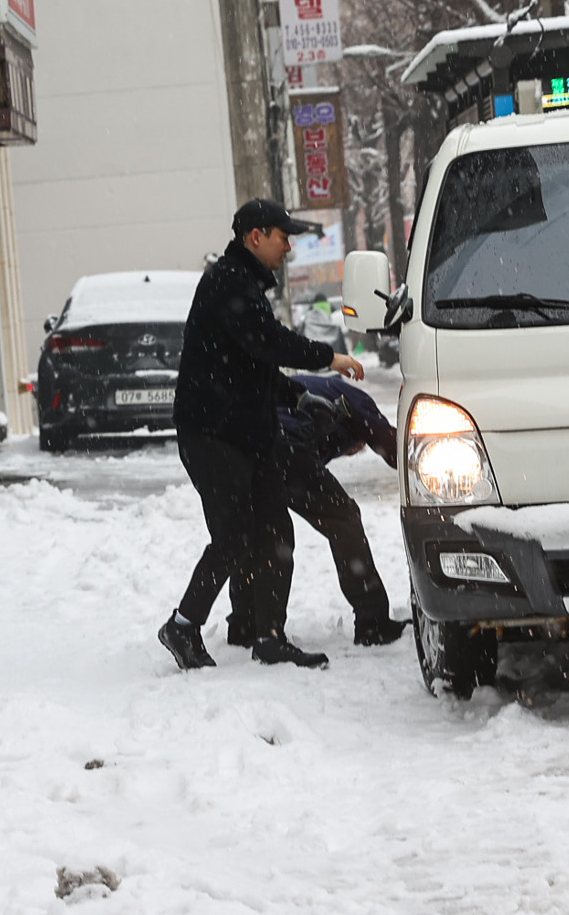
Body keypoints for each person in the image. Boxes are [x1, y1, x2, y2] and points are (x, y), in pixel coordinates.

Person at [157, 200, 363, 672]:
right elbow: (268, 342)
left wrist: (295, 397)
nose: (288, 245)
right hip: (212, 434)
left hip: (249, 433)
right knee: (233, 536)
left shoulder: (245, 284)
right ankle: (183, 626)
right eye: (281, 236)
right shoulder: (229, 282)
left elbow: (251, 364)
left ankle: (270, 636)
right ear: (255, 236)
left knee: (274, 532)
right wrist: (327, 358)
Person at [213, 373, 406, 649]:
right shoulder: (353, 399)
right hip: (283, 444)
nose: (352, 452)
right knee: (343, 517)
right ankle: (372, 621)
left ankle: (247, 624)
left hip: (240, 446)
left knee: (260, 532)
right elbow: (392, 447)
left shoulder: (310, 389)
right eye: (357, 447)